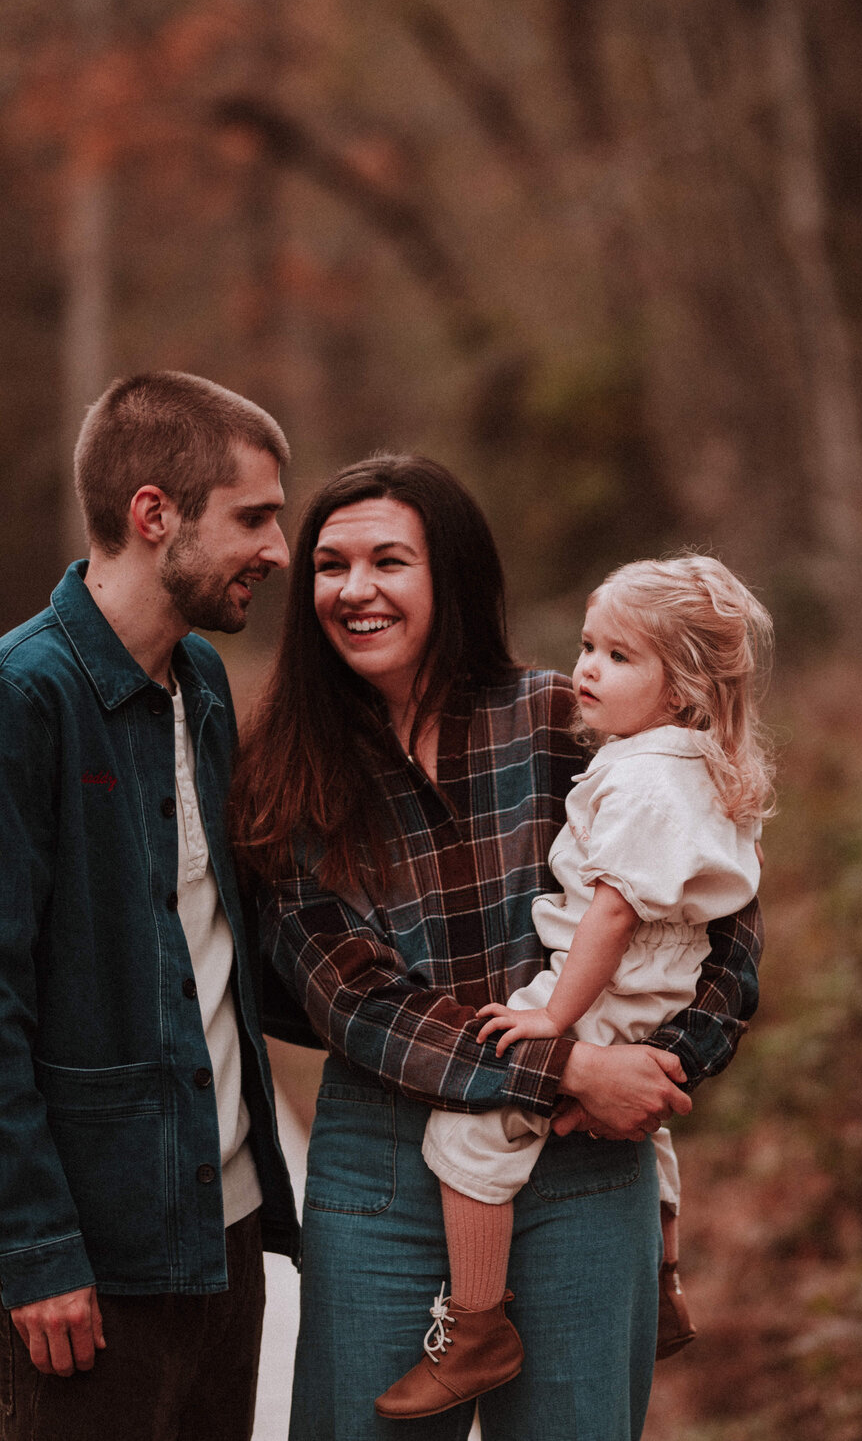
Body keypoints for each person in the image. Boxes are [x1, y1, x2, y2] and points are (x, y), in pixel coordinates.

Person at [234, 454, 765, 1441]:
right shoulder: (286, 764)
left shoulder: (570, 721)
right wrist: (572, 1065)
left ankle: (653, 1262)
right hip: (388, 1164)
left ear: (453, 576)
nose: (355, 590)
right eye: (329, 564)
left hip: (583, 1160)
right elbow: (351, 998)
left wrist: (661, 1065)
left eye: (389, 560)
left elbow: (717, 927)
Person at [0, 371, 299, 1441]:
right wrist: (37, 1255)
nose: (277, 548)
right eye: (254, 517)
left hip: (221, 1237)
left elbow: (220, 942)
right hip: (88, 1259)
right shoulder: (10, 703)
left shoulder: (206, 684)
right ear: (153, 513)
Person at [378, 554, 773, 1417]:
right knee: (646, 1127)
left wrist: (552, 1019)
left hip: (611, 979)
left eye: (621, 657)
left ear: (682, 687)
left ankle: (477, 1324)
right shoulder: (691, 762)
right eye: (589, 644)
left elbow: (612, 914)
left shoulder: (641, 777)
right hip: (658, 985)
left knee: (473, 1123)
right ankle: (664, 1282)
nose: (587, 667)